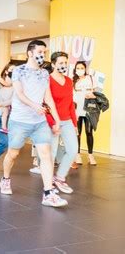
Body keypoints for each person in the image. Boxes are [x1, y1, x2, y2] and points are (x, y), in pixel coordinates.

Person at [0, 40, 68, 208]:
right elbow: (20, 93)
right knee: (13, 154)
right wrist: (34, 105)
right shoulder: (18, 71)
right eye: (40, 52)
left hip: (39, 122)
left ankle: (48, 193)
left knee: (46, 154)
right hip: (20, 121)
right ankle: (5, 179)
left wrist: (57, 118)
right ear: (30, 53)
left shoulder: (45, 73)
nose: (42, 55)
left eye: (44, 52)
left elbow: (48, 98)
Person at [48, 51, 78, 194]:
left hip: (67, 121)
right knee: (51, 154)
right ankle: (48, 185)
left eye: (65, 63)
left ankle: (59, 178)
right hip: (52, 122)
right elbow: (45, 104)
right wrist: (52, 122)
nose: (63, 65)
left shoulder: (69, 81)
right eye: (60, 63)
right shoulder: (47, 80)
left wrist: (74, 123)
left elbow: (70, 104)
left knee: (72, 150)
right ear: (53, 64)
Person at [73, 61, 97, 165]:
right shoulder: (73, 80)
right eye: (77, 68)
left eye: (81, 68)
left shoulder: (91, 78)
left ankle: (90, 155)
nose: (80, 70)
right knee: (77, 133)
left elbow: (98, 93)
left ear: (85, 69)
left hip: (89, 109)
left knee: (89, 132)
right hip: (77, 110)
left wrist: (92, 96)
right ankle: (77, 155)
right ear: (75, 69)